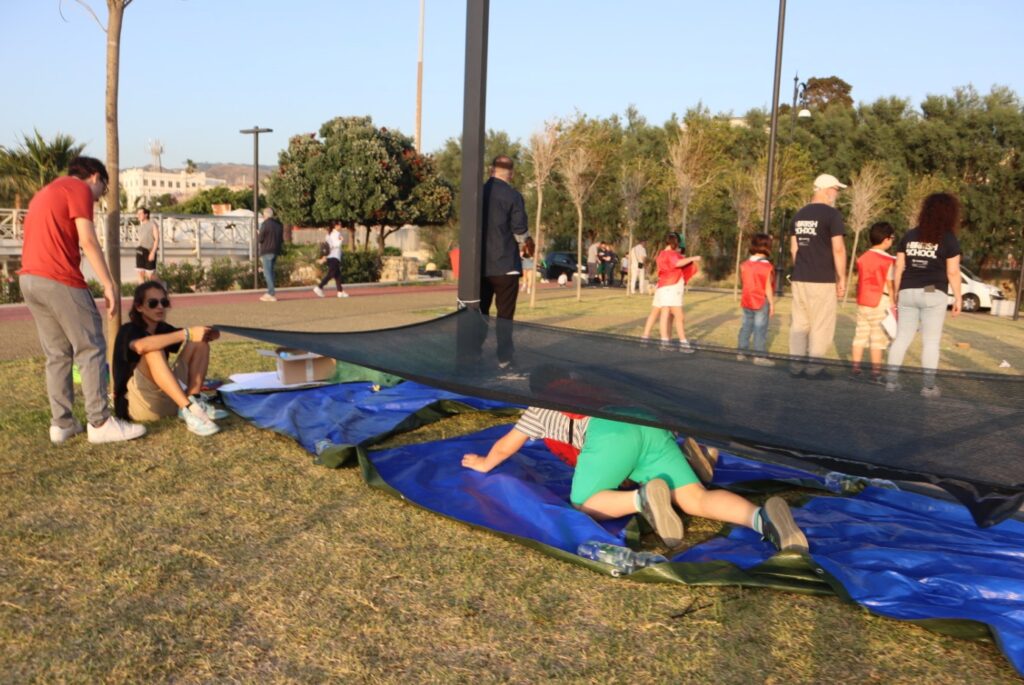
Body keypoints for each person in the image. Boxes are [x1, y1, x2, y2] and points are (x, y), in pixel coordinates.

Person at [461, 406, 808, 553]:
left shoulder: (539, 410)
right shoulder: (599, 388)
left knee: (586, 501)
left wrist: (484, 462)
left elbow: (508, 446)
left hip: (609, 435)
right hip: (647, 425)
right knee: (695, 498)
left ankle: (642, 500)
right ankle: (761, 519)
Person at [18, 156, 146, 445]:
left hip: (30, 279)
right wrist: (109, 284)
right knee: (90, 347)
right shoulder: (78, 189)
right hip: (59, 278)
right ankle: (100, 422)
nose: (100, 198)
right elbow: (87, 239)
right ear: (95, 177)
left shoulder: (46, 192)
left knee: (58, 353)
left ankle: (61, 424)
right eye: (103, 190)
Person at [112, 281, 229, 436]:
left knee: (199, 343)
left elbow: (189, 337)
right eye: (153, 303)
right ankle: (190, 410)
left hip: (170, 399)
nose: (160, 307)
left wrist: (206, 333)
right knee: (153, 350)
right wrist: (187, 333)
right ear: (139, 307)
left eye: (164, 302)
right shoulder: (129, 329)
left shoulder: (162, 327)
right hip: (141, 406)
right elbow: (140, 346)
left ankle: (194, 399)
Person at [886, 193, 963, 397]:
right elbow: (953, 272)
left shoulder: (910, 235)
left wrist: (896, 292)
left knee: (901, 338)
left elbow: (899, 266)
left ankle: (891, 383)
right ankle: (928, 387)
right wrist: (958, 297)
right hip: (931, 290)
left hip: (907, 290)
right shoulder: (949, 239)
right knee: (931, 341)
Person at [788, 174, 848, 377]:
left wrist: (801, 268)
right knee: (821, 325)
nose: (836, 194)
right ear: (827, 190)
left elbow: (794, 249)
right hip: (822, 278)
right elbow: (838, 249)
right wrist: (842, 277)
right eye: (836, 190)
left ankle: (796, 366)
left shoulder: (798, 215)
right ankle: (815, 368)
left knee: (799, 323)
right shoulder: (832, 215)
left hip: (800, 276)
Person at [481, 155, 528, 368]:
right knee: (504, 315)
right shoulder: (513, 195)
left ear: (491, 170)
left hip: (479, 265)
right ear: (511, 172)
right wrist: (528, 242)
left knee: (479, 312)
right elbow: (519, 230)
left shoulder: (478, 192)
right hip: (505, 264)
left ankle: (472, 352)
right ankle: (504, 357)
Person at [850, 222, 896, 383]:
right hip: (880, 300)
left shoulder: (862, 257)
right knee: (878, 339)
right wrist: (893, 300)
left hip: (863, 300)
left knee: (860, 335)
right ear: (886, 239)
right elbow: (890, 283)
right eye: (892, 237)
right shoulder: (888, 260)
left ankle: (855, 368)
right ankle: (876, 373)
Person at [640, 232, 700, 352]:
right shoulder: (671, 254)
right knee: (678, 316)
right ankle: (682, 344)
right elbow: (677, 263)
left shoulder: (661, 253)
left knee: (660, 312)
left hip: (662, 286)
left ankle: (651, 338)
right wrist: (693, 258)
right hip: (671, 286)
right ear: (675, 242)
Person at [737, 233, 776, 366]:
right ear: (767, 246)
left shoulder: (745, 264)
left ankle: (741, 352)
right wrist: (772, 304)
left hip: (747, 299)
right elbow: (767, 287)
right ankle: (759, 357)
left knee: (746, 326)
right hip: (760, 300)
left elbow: (743, 282)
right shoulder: (767, 266)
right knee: (760, 328)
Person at [313, 222, 349, 298]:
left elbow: (326, 248)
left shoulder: (329, 235)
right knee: (331, 274)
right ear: (335, 226)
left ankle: (340, 292)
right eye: (339, 224)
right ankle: (319, 287)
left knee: (337, 275)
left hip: (331, 257)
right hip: (334, 257)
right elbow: (335, 245)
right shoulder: (336, 234)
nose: (341, 226)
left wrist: (324, 257)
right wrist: (341, 240)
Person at [257, 207, 284, 302]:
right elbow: (281, 239)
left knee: (267, 272)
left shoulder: (265, 225)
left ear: (265, 215)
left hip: (267, 250)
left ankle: (270, 293)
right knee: (271, 272)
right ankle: (270, 291)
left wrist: (258, 233)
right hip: (275, 250)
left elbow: (260, 239)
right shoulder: (278, 225)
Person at [135, 207, 160, 283]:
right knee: (140, 273)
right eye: (137, 214)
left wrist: (152, 252)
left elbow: (157, 239)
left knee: (150, 275)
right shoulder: (140, 226)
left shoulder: (152, 224)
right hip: (140, 250)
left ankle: (162, 287)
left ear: (146, 215)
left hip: (149, 251)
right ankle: (142, 292)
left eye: (140, 213)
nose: (138, 215)